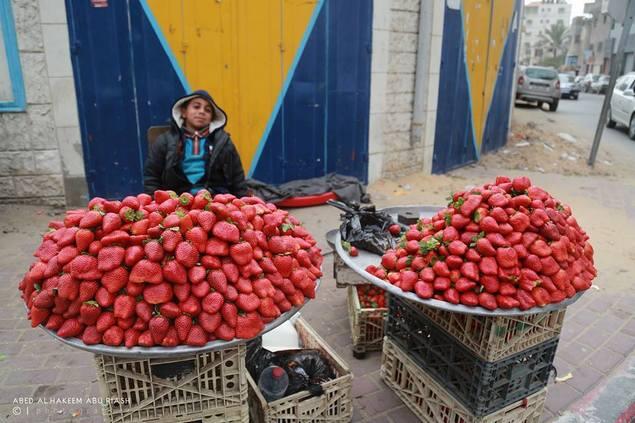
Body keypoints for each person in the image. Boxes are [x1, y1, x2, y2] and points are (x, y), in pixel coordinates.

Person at [143, 90, 248, 197]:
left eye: (208, 110)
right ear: (183, 112)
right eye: (196, 107)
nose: (202, 112)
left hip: (216, 201)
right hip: (177, 203)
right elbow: (152, 177)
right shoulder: (165, 141)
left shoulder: (223, 141)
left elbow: (237, 178)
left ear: (212, 117)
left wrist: (244, 203)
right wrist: (155, 203)